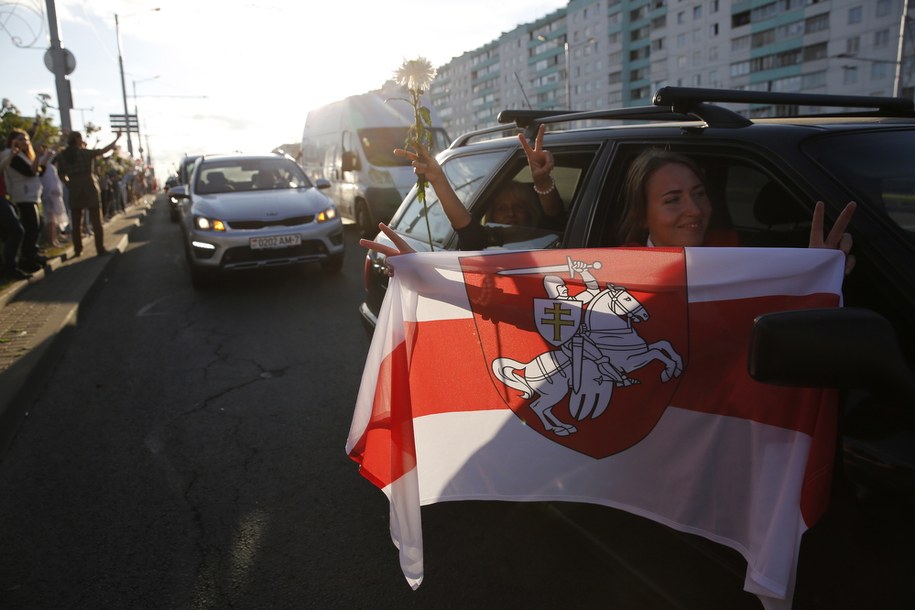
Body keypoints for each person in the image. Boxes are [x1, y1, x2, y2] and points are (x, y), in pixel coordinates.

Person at [362, 144, 856, 275]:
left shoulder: (737, 253)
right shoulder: (610, 270)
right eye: (672, 199)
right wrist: (424, 269)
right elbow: (473, 242)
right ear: (641, 216)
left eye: (699, 192)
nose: (695, 210)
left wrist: (809, 272)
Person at [392, 124, 564, 250]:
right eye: (502, 208)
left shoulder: (547, 236)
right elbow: (467, 229)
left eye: (518, 207)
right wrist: (438, 179)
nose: (511, 213)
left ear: (531, 211)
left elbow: (554, 216)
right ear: (491, 214)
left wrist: (542, 182)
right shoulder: (492, 239)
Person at [56, 130, 121, 257]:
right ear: (78, 139)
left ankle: (78, 249)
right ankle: (100, 248)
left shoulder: (62, 155)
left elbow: (61, 174)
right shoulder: (84, 153)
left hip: (74, 187)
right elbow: (103, 150)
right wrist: (116, 139)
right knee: (96, 219)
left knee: (76, 220)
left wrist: (69, 184)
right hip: (88, 185)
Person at [3, 128, 53, 272]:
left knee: (36, 225)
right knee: (31, 225)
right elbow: (30, 172)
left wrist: (43, 157)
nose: (24, 142)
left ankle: (32, 254)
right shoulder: (11, 155)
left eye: (25, 139)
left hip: (31, 194)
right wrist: (38, 156)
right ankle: (27, 257)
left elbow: (39, 171)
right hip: (23, 195)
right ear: (12, 140)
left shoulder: (24, 155)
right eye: (20, 139)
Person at [37, 145, 69, 248]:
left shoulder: (50, 165)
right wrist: (60, 143)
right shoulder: (41, 161)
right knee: (50, 219)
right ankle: (51, 241)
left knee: (54, 220)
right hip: (48, 194)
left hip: (55, 194)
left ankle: (55, 239)